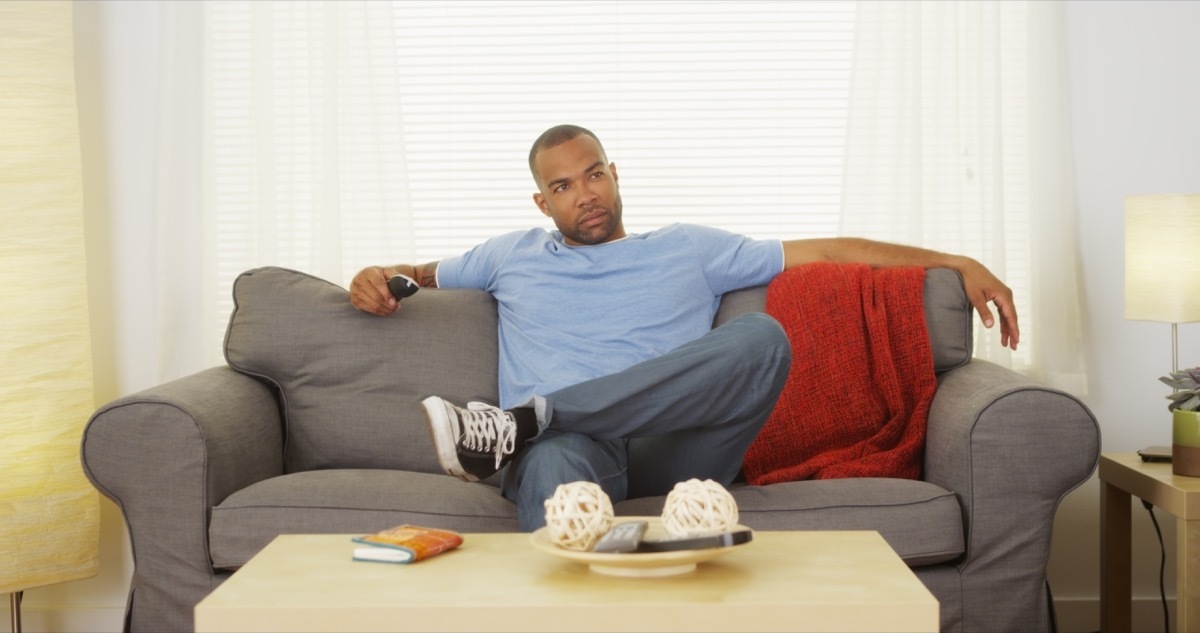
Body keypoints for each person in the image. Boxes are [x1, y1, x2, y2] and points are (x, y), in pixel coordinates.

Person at [350, 124, 1019, 531]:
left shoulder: (689, 248)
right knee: (555, 460)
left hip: (669, 450)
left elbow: (829, 249)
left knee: (764, 339)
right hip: (566, 452)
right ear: (542, 201)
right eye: (563, 186)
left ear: (615, 175)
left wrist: (955, 262)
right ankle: (542, 433)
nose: (585, 194)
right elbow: (416, 273)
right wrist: (376, 275)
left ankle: (527, 419)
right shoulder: (508, 255)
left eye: (593, 175)